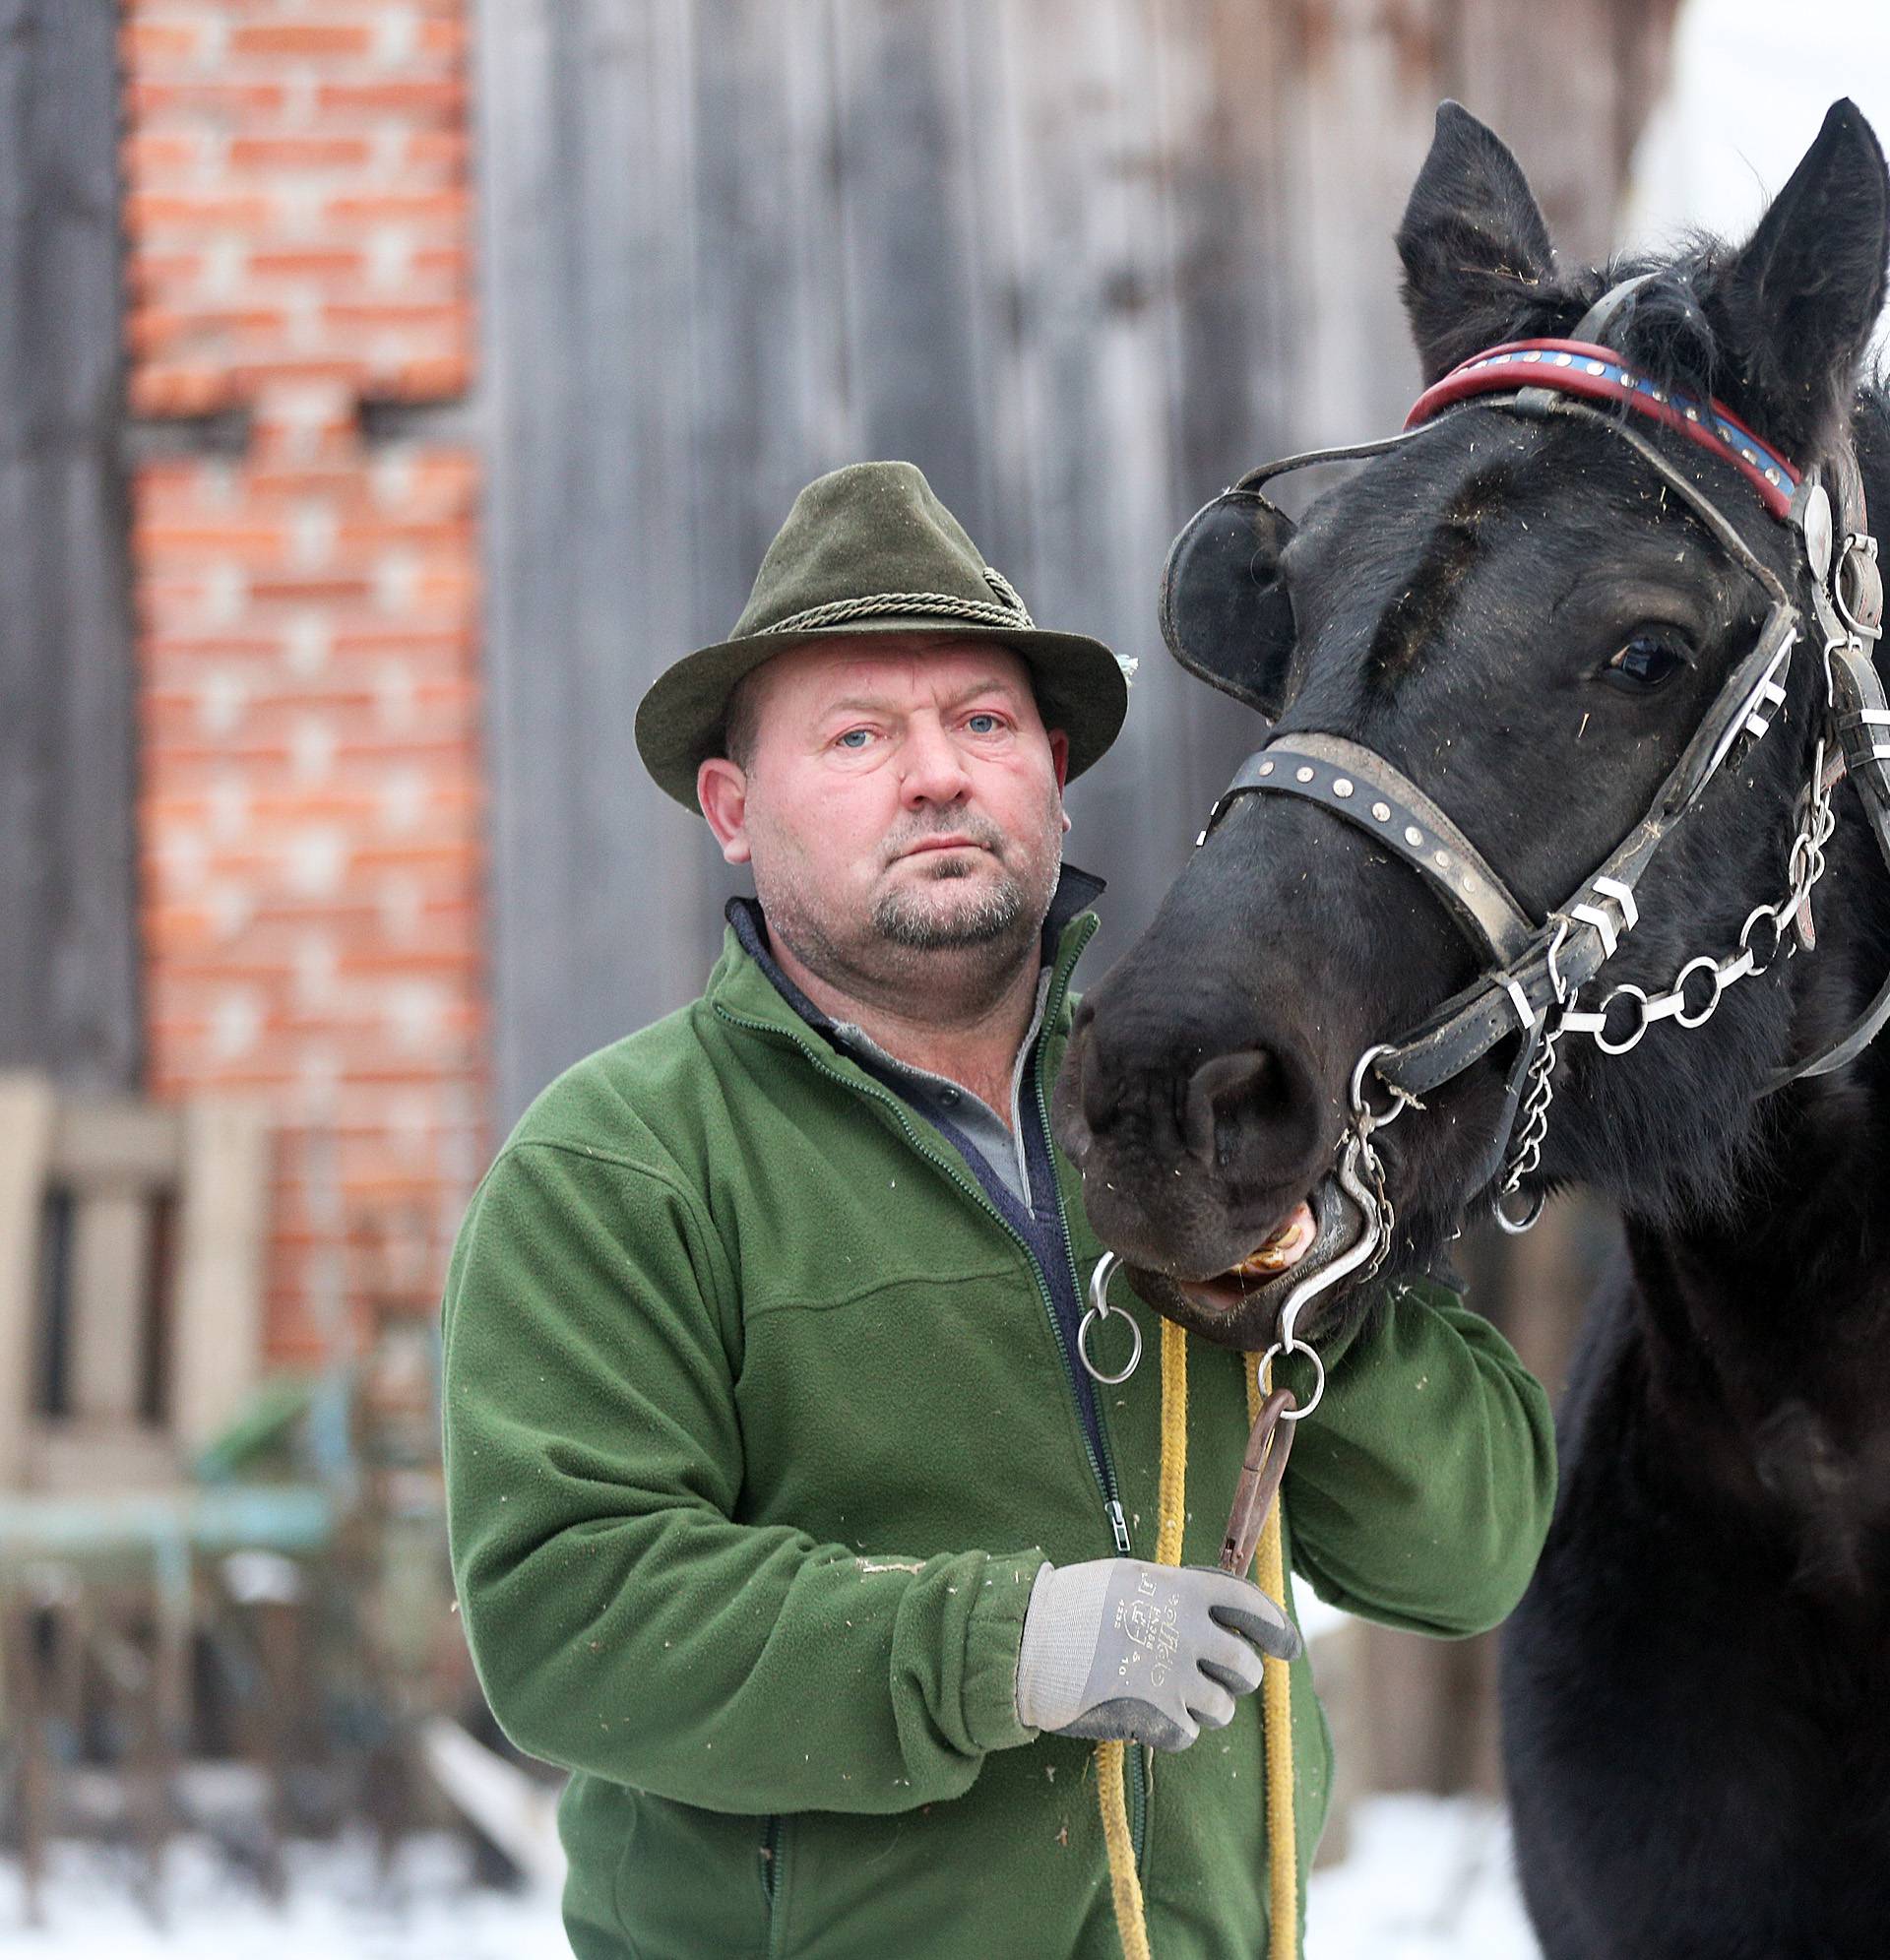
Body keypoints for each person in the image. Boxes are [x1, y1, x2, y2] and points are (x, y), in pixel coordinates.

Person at [441, 462, 1555, 1958]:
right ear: (731, 806)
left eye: (981, 722)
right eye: (857, 736)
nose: (937, 774)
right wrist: (998, 1649)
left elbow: (1470, 1554)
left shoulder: (1220, 1103)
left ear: (1053, 768)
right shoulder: (623, 1165)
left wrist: (1301, 1271)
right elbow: (569, 1623)